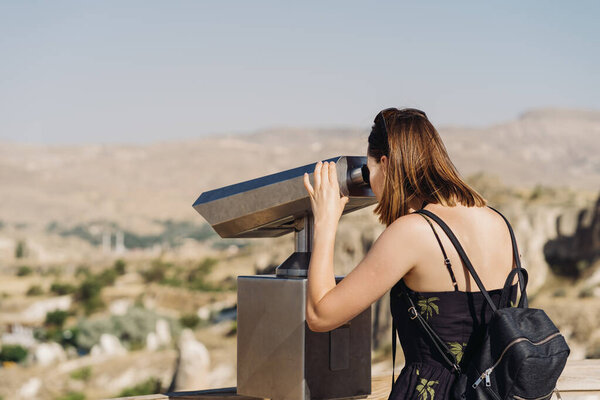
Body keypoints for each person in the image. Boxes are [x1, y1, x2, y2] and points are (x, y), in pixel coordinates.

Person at [302, 107, 519, 399]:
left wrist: (325, 222)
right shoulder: (498, 221)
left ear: (385, 162)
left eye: (369, 172)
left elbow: (320, 315)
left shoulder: (412, 232)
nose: (371, 182)